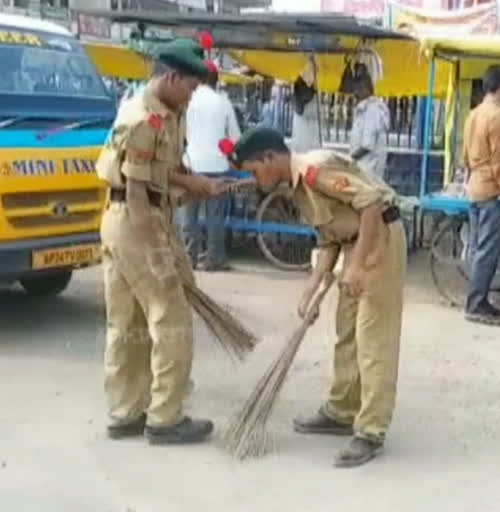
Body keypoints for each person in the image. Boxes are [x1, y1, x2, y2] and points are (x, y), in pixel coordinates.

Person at [225, 127, 406, 468]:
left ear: (270, 157)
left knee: (373, 337)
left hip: (379, 236)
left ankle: (371, 430)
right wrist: (313, 287)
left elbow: (370, 203)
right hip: (353, 242)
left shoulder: (315, 169)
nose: (254, 179)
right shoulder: (294, 189)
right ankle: (341, 410)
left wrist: (358, 266)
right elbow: (328, 237)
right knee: (346, 332)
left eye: (253, 170)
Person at [96, 39, 227, 445]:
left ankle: (126, 412)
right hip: (138, 222)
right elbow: (136, 193)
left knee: (128, 323)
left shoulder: (169, 113)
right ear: (171, 77)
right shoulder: (142, 119)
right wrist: (158, 256)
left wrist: (198, 185)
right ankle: (165, 418)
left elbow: (165, 170)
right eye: (189, 86)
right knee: (171, 317)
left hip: (133, 219)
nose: (192, 96)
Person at [462, 64, 500, 325]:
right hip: (489, 190)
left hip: (474, 185)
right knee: (487, 251)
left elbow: (465, 155)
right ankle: (476, 304)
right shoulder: (498, 117)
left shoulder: (473, 114)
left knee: (478, 249)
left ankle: (479, 300)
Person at [179, 61, 241, 271]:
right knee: (215, 216)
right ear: (216, 80)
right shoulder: (223, 102)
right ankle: (214, 257)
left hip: (192, 164)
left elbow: (180, 132)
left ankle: (190, 256)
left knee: (190, 215)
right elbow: (235, 137)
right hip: (217, 166)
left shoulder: (188, 100)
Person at [349, 73, 390, 180]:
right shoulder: (365, 109)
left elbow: (367, 145)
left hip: (369, 168)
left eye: (357, 89)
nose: (355, 93)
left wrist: (348, 159)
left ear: (365, 89)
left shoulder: (372, 111)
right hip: (364, 168)